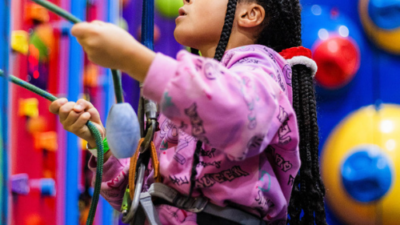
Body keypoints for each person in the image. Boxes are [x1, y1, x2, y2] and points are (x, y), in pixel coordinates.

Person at [49, 0, 327, 224]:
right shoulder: (187, 98)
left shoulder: (262, 73)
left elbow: (237, 116)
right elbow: (136, 195)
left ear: (249, 13)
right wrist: (103, 144)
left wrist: (133, 58)